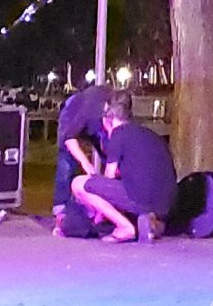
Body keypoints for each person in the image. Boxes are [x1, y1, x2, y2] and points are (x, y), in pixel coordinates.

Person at [72, 96, 177, 243]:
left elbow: (108, 177)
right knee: (137, 202)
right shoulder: (151, 135)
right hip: (166, 204)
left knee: (78, 184)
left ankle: (125, 227)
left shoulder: (118, 133)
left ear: (108, 119)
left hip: (140, 197)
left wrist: (100, 214)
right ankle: (153, 224)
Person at [51, 82, 111, 239]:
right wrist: (86, 163)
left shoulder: (115, 111)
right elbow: (69, 139)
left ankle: (107, 208)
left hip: (98, 118)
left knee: (110, 157)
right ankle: (61, 211)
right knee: (67, 164)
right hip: (73, 113)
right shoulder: (84, 113)